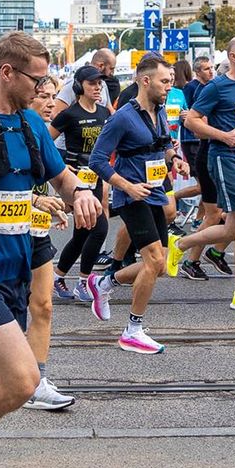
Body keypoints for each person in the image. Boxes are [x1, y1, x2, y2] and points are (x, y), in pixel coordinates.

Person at [0, 32, 102, 424]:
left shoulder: (31, 125)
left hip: (16, 269)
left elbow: (61, 176)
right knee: (23, 381)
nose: (44, 89)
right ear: (7, 73)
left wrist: (82, 192)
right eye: (36, 80)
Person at [86, 56, 189, 353]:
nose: (169, 86)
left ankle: (104, 283)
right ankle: (132, 330)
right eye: (164, 81)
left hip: (154, 192)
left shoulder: (157, 111)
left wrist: (176, 161)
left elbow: (164, 145)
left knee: (159, 267)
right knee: (155, 261)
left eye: (170, 80)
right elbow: (97, 160)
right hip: (132, 196)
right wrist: (126, 185)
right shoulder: (122, 118)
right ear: (145, 81)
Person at [167, 37, 235, 314]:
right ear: (233, 56)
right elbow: (190, 120)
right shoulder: (217, 86)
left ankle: (181, 243)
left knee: (233, 228)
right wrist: (223, 135)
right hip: (224, 159)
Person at [23, 76, 74, 410]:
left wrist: (68, 201)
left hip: (36, 233)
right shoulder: (5, 128)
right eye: (42, 96)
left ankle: (36, 381)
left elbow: (61, 178)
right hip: (5, 234)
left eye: (53, 96)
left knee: (43, 305)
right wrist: (33, 201)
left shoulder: (44, 135)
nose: (50, 104)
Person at [49, 65, 110, 303]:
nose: (97, 88)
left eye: (99, 84)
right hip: (74, 184)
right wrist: (64, 166)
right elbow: (46, 144)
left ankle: (57, 276)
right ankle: (84, 282)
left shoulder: (105, 113)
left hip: (95, 180)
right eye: (92, 83)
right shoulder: (69, 115)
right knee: (100, 227)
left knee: (82, 234)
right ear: (79, 86)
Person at [54, 48, 116, 113]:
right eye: (111, 68)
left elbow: (110, 110)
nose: (112, 73)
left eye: (99, 83)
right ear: (101, 65)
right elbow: (55, 112)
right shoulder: (76, 83)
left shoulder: (103, 83)